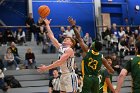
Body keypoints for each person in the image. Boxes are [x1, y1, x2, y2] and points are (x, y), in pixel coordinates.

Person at [68, 17, 114, 93]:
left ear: (93, 46)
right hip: (96, 79)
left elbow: (79, 38)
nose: (92, 43)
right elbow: (111, 70)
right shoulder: (101, 57)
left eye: (93, 43)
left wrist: (73, 26)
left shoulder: (87, 50)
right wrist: (108, 69)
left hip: (87, 78)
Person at [38, 18, 78, 93]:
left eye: (68, 39)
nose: (66, 39)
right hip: (62, 75)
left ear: (71, 43)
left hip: (69, 75)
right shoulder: (61, 47)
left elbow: (59, 62)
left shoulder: (69, 50)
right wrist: (47, 25)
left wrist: (46, 68)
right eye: (65, 38)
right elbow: (51, 36)